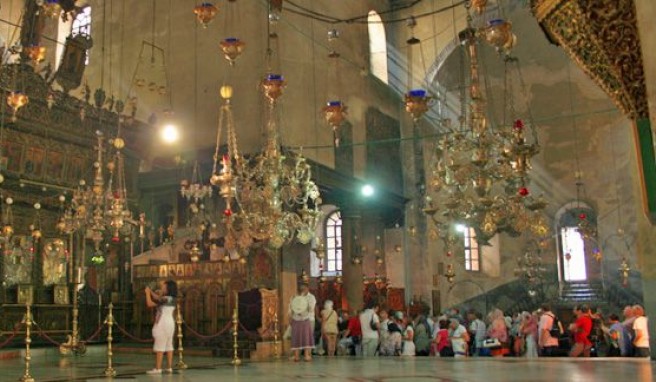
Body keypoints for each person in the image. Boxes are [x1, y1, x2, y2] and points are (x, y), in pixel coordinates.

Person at [144, 280, 178, 375]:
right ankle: (169, 367)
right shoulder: (172, 298)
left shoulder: (165, 299)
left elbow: (150, 303)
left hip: (163, 323)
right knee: (169, 345)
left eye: (164, 287)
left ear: (168, 288)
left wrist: (147, 293)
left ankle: (158, 368)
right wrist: (151, 291)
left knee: (160, 345)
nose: (162, 288)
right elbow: (158, 298)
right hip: (170, 323)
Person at [288, 283, 317, 362]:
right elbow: (290, 307)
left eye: (304, 288)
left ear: (307, 288)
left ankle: (307, 355)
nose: (302, 290)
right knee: (296, 337)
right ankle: (296, 355)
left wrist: (302, 310)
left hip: (306, 318)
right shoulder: (294, 297)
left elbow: (311, 308)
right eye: (301, 288)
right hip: (296, 319)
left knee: (307, 337)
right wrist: (290, 317)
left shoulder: (311, 297)